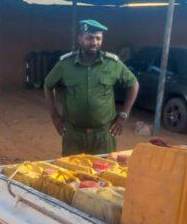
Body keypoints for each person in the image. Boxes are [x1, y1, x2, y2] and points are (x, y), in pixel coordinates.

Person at [44, 19, 139, 156]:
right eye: (89, 38)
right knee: (71, 169)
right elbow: (48, 85)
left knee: (104, 168)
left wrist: (124, 114)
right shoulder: (65, 64)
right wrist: (55, 117)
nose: (95, 42)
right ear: (80, 39)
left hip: (103, 135)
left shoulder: (112, 63)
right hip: (73, 135)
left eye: (98, 38)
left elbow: (133, 84)